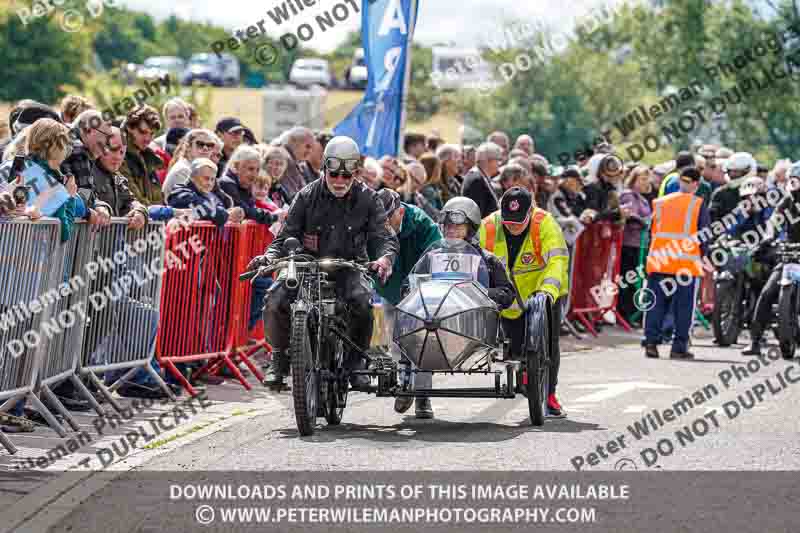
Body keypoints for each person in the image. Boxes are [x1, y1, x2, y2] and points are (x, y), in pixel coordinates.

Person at [249, 136, 399, 390]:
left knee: (362, 301)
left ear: (355, 173)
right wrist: (270, 256)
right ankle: (279, 358)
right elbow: (285, 235)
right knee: (275, 298)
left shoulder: (369, 199)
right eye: (334, 174)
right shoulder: (306, 195)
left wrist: (384, 258)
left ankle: (356, 365)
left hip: (349, 266)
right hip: (308, 265)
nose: (339, 181)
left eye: (346, 175)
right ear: (324, 170)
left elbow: (384, 237)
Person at [479, 187, 569, 417]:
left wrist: (547, 292)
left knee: (548, 345)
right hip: (508, 298)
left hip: (543, 293)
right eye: (508, 222)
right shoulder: (489, 226)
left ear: (531, 212)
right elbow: (476, 261)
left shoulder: (545, 223)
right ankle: (525, 380)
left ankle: (549, 395)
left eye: (519, 222)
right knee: (517, 347)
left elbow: (557, 260)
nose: (513, 226)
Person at [372, 189, 443, 418]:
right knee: (395, 339)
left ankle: (422, 395)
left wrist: (422, 281)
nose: (383, 224)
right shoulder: (372, 223)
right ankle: (404, 385)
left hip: (420, 288)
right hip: (391, 288)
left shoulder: (421, 222)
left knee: (424, 339)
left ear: (400, 212)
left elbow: (437, 250)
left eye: (387, 218)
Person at [643, 167, 710, 359]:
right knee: (683, 309)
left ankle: (651, 343)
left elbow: (652, 232)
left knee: (655, 305)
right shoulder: (697, 204)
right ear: (696, 185)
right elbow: (704, 236)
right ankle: (678, 347)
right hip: (685, 266)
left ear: (680, 181)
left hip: (660, 262)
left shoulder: (660, 203)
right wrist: (705, 256)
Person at [742, 162, 800, 356]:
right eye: (794, 180)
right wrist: (768, 237)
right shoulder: (787, 201)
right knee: (766, 294)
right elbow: (773, 221)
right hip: (791, 253)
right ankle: (755, 341)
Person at [91, 126, 148, 226]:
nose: (117, 157)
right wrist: (99, 207)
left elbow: (130, 200)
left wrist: (139, 211)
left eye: (122, 152)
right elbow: (84, 198)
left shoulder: (118, 178)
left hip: (110, 239)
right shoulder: (87, 172)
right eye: (113, 150)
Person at [618, 165, 653, 324]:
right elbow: (630, 215)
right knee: (628, 279)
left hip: (641, 244)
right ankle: (625, 314)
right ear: (634, 179)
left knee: (637, 280)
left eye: (647, 179)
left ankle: (634, 313)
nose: (645, 182)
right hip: (629, 244)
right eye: (642, 178)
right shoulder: (628, 195)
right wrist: (643, 221)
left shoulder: (644, 199)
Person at [168, 158, 244, 227]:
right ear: (193, 177)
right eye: (206, 178)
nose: (209, 183)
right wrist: (226, 215)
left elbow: (219, 207)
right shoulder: (179, 191)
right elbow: (199, 207)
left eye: (212, 179)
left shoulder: (212, 196)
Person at [219, 144, 279, 226]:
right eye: (250, 169)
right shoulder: (226, 183)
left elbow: (253, 208)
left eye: (257, 170)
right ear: (236, 166)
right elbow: (246, 211)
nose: (254, 174)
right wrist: (274, 217)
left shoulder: (246, 186)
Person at [120, 105, 165, 206]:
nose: (147, 139)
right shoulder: (119, 156)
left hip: (152, 219)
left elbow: (159, 199)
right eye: (142, 132)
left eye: (152, 133)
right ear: (129, 127)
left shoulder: (150, 158)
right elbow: (135, 199)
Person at [162, 129, 223, 201]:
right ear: (188, 147)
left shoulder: (198, 168)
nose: (205, 148)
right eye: (200, 144)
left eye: (210, 145)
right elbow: (188, 202)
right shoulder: (183, 170)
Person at [709, 152, 757, 223]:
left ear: (747, 171)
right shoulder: (720, 193)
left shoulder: (758, 192)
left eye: (736, 171)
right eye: (730, 171)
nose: (731, 174)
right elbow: (711, 219)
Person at [582, 153, 630, 224]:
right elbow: (590, 217)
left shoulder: (609, 188)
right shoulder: (593, 189)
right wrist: (617, 214)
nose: (618, 175)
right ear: (601, 174)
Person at [461, 141, 502, 218]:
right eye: (498, 160)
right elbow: (476, 215)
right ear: (490, 161)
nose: (499, 164)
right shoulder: (476, 180)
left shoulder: (480, 177)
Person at [280, 126, 315, 199]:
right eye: (307, 146)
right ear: (293, 141)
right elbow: (294, 195)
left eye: (312, 148)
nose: (310, 151)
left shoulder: (294, 161)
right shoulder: (285, 158)